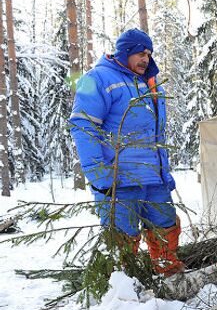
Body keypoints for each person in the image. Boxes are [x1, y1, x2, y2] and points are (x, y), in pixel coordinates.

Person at [69, 29, 184, 276]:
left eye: (149, 54)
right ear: (125, 51)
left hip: (154, 179)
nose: (146, 59)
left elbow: (156, 135)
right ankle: (124, 292)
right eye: (141, 53)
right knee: (121, 242)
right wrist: (100, 176)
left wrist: (164, 172)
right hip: (118, 181)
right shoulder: (96, 79)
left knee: (166, 228)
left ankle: (169, 279)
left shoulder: (151, 84)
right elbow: (82, 125)